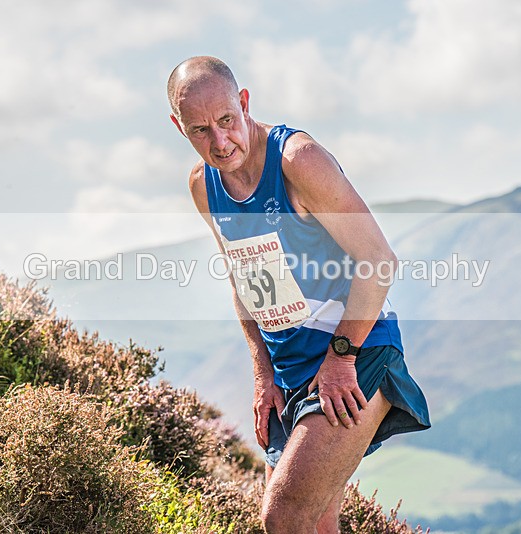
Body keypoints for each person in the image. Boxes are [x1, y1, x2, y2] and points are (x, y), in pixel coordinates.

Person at [167, 56, 430, 534]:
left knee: (283, 518)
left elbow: (379, 261)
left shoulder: (298, 162)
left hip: (356, 352)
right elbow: (242, 279)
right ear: (178, 127)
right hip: (288, 370)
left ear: (243, 103)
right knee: (314, 522)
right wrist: (262, 373)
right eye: (200, 130)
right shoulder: (203, 187)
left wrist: (341, 357)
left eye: (227, 120)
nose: (220, 142)